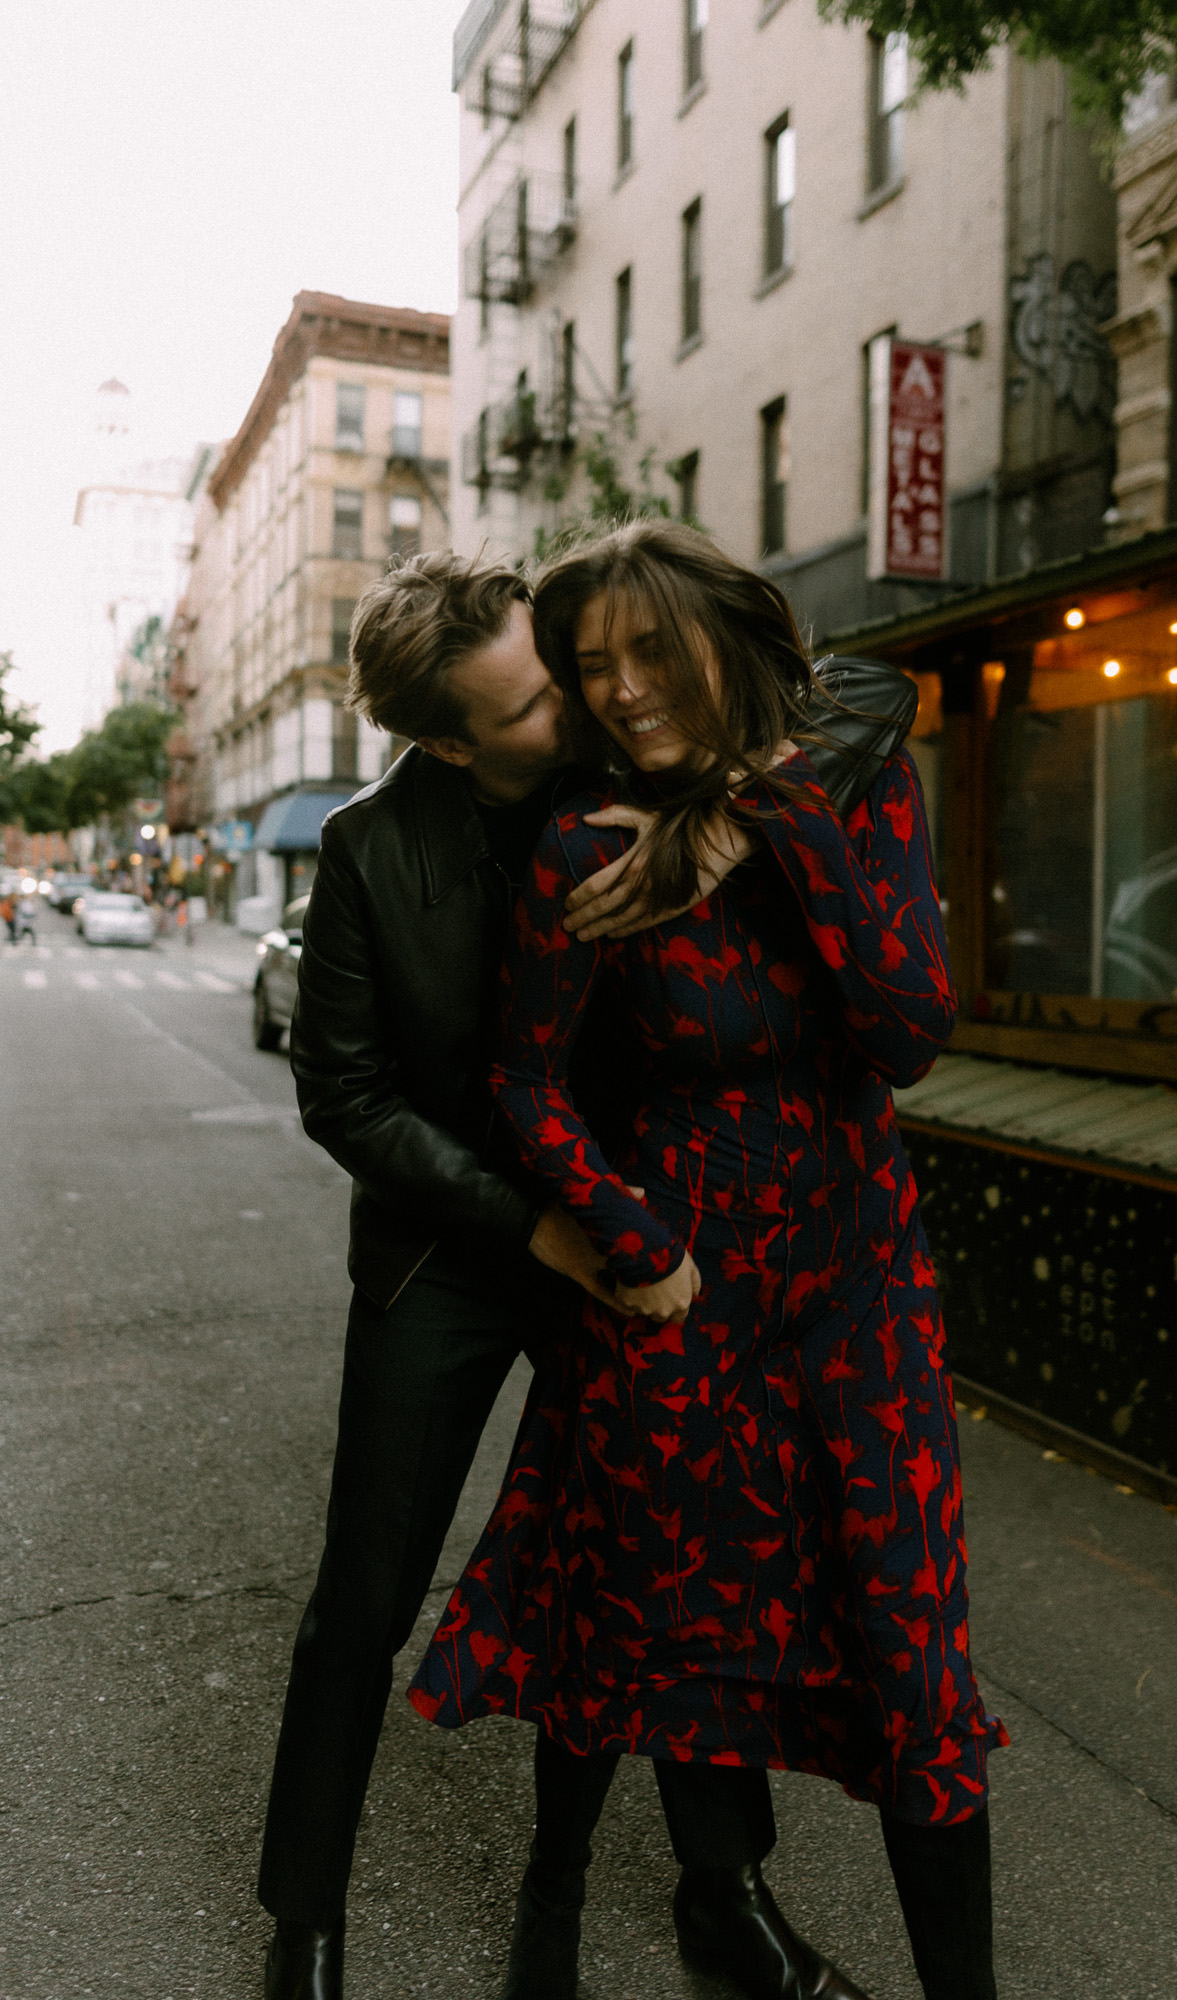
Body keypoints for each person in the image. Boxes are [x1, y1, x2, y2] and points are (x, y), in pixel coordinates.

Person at [259, 548, 915, 2000]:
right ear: (449, 743)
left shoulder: (636, 760)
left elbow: (870, 687)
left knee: (684, 1566)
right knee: (364, 1596)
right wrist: (534, 1225)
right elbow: (346, 1098)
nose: (579, 708)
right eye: (533, 706)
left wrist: (734, 816)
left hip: (642, 1234)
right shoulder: (370, 847)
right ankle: (303, 1923)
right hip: (459, 1251)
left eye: (559, 675)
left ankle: (725, 1896)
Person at [410, 522, 1006, 2000]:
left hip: (860, 1279)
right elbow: (525, 1080)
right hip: (683, 1289)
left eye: (649, 653)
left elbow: (909, 1034)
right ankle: (673, 1913)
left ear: (718, 638)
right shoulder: (586, 840)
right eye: (591, 666)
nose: (620, 691)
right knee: (674, 1622)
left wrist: (774, 822)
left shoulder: (852, 790)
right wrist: (631, 1236)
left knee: (912, 1642)